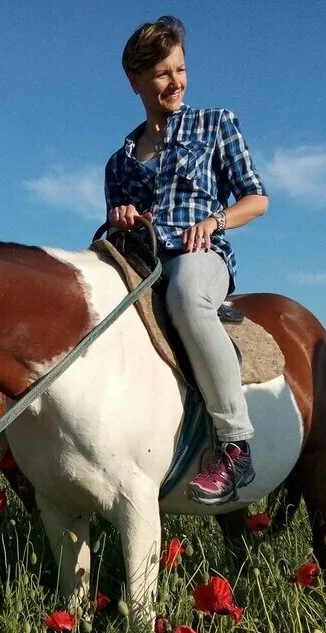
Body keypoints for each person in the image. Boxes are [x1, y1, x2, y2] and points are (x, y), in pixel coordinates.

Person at [104, 15, 269, 504]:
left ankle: (235, 446)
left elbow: (256, 199)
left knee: (186, 294)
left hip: (202, 256)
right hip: (144, 262)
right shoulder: (119, 161)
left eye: (180, 69)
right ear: (135, 81)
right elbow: (115, 232)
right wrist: (122, 217)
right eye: (161, 73)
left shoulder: (215, 123)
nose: (175, 82)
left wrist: (215, 222)